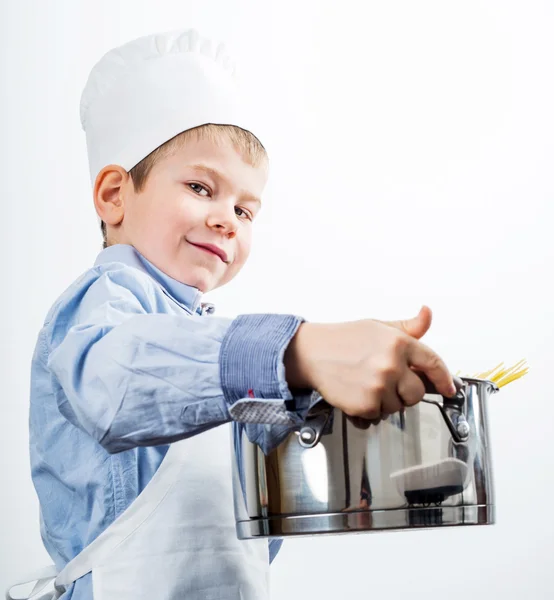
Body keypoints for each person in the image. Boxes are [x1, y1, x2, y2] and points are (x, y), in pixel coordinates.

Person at [14, 29, 456, 600]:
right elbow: (112, 381)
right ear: (114, 196)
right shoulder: (109, 299)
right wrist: (296, 349)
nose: (228, 220)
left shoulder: (205, 335)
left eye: (246, 209)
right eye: (201, 187)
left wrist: (330, 399)